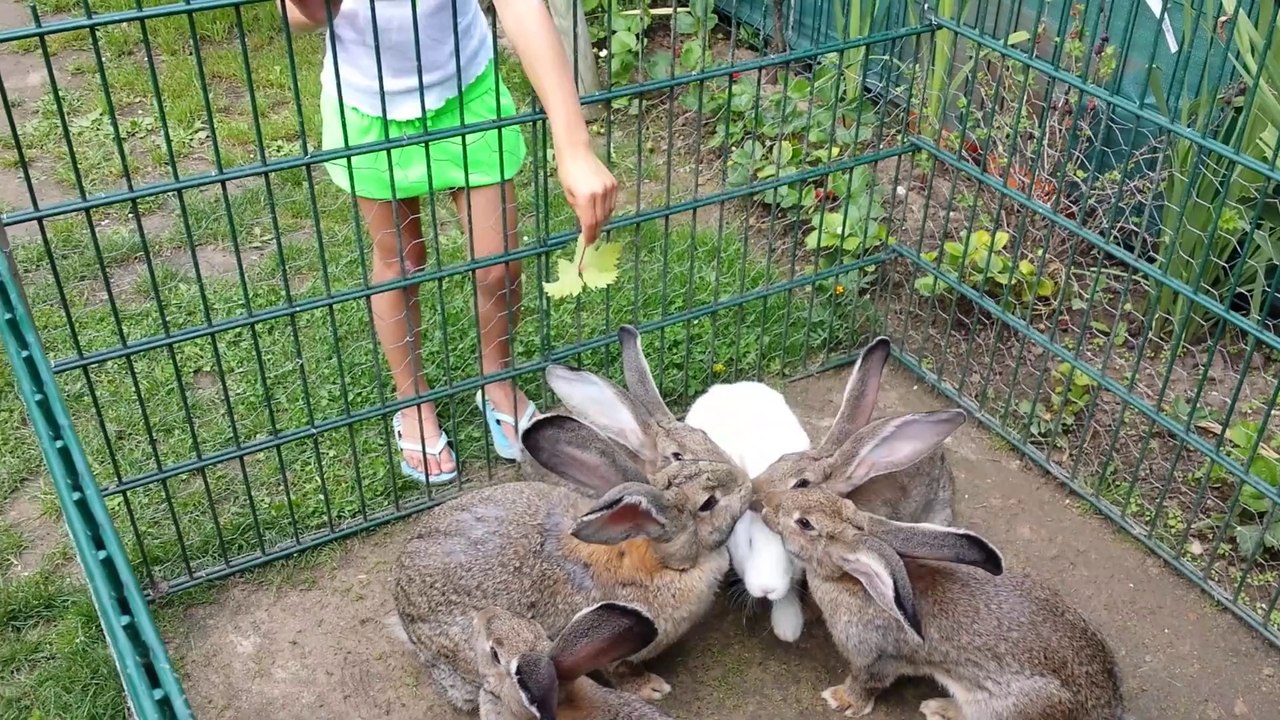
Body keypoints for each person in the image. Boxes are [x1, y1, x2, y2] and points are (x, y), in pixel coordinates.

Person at [278, 0, 617, 484]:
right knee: (401, 261)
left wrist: (574, 145)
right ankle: (412, 400)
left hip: (466, 89)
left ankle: (496, 380)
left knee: (498, 263)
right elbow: (293, 13)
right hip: (366, 105)